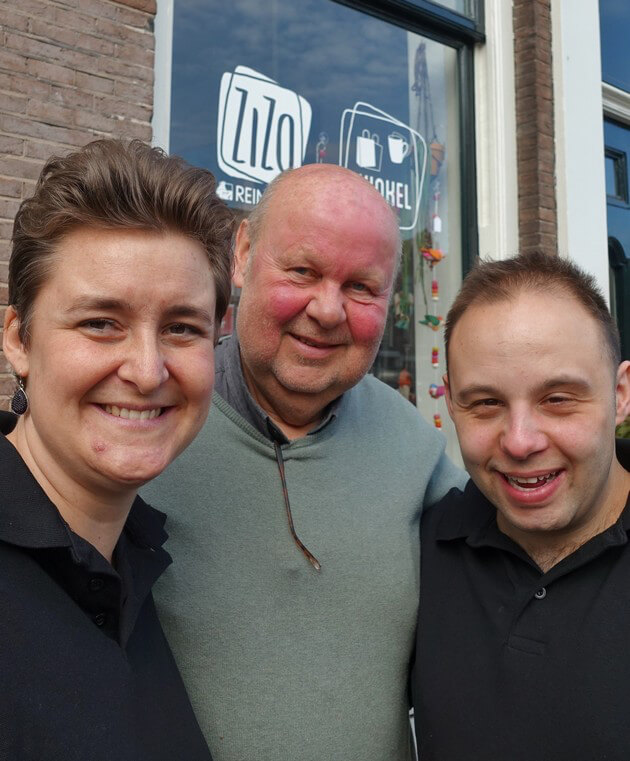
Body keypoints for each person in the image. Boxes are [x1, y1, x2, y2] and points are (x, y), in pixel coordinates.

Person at [141, 164, 467, 761]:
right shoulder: (146, 427)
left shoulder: (418, 454)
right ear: (241, 256)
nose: (327, 309)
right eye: (302, 271)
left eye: (362, 287)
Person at [0, 139, 233, 760]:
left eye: (183, 328)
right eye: (101, 322)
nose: (148, 370)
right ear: (19, 340)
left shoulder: (139, 560)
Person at [412, 252, 630, 761]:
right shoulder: (425, 548)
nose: (520, 441)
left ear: (620, 394)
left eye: (557, 398)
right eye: (485, 403)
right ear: (452, 408)